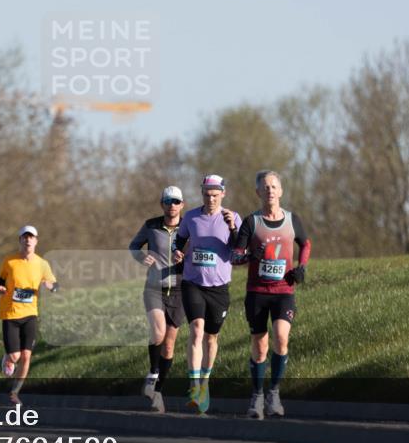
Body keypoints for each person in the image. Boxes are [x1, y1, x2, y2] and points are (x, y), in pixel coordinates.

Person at [233, 171, 311, 419]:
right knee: (260, 345)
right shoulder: (251, 222)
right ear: (258, 192)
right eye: (265, 187)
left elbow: (305, 244)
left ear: (281, 191)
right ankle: (256, 396)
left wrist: (301, 267)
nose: (270, 191)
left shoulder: (292, 219)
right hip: (257, 292)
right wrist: (248, 257)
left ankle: (274, 393)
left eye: (274, 186)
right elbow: (236, 255)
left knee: (281, 338)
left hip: (283, 292)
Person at [174, 175, 241, 415]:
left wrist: (232, 227)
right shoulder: (191, 217)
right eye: (206, 194)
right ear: (202, 194)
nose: (210, 199)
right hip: (193, 282)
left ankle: (205, 382)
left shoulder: (232, 218)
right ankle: (193, 386)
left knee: (211, 338)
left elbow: (238, 249)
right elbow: (178, 242)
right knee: (196, 329)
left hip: (219, 287)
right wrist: (177, 254)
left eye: (215, 195)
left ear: (222, 194)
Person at [129, 185, 186, 413]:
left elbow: (200, 253)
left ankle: (158, 393)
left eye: (176, 201)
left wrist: (186, 258)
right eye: (167, 201)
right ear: (162, 204)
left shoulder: (188, 228)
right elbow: (133, 246)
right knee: (158, 333)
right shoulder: (151, 225)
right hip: (154, 288)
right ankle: (153, 373)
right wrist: (141, 257)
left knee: (170, 344)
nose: (171, 205)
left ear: (182, 205)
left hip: (180, 290)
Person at [0, 225, 58, 405]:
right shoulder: (9, 261)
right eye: (25, 237)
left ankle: (15, 392)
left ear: (36, 241)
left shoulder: (42, 264)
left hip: (30, 314)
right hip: (10, 313)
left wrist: (51, 287)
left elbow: (56, 285)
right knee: (15, 356)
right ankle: (7, 358)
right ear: (20, 241)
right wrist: (0, 287)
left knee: (26, 356)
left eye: (31, 237)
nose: (28, 240)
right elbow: (0, 278)